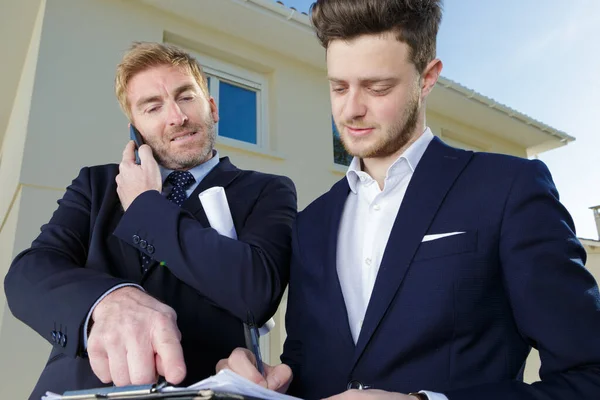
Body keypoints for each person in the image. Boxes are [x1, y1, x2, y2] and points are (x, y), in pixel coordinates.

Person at [216, 1, 600, 399]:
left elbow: (590, 376)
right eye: (338, 87)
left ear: (427, 77)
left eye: (377, 87)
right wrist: (263, 380)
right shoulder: (312, 222)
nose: (351, 110)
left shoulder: (508, 188)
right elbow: (309, 363)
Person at [4, 42, 297, 400]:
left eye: (186, 97)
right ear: (136, 131)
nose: (176, 117)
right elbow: (28, 274)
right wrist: (109, 300)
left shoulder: (267, 189)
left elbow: (256, 290)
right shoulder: (97, 185)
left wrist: (146, 208)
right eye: (153, 107)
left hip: (195, 389)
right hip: (74, 391)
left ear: (213, 108)